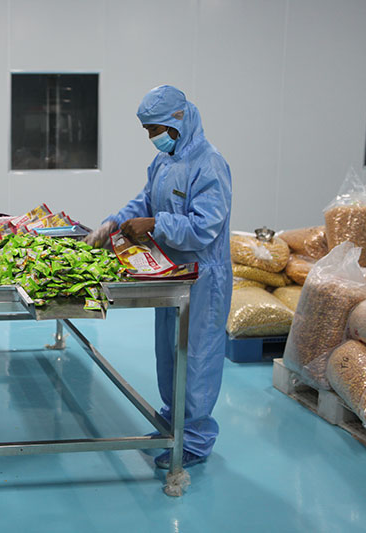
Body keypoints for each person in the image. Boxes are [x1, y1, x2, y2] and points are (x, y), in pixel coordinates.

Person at [85, 85, 232, 469]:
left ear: (178, 120)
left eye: (156, 129)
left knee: (196, 359)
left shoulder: (209, 164)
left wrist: (155, 224)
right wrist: (114, 222)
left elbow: (205, 227)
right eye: (148, 130)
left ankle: (194, 440)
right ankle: (172, 424)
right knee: (169, 354)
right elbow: (145, 200)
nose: (153, 137)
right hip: (169, 274)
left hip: (202, 278)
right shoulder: (163, 163)